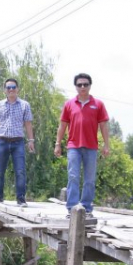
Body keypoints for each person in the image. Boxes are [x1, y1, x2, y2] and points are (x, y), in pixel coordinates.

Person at [54, 73, 110, 217]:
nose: (83, 87)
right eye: (80, 85)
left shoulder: (98, 104)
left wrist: (106, 145)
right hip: (73, 146)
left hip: (91, 146)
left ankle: (87, 208)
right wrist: (57, 144)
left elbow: (104, 126)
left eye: (85, 84)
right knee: (73, 176)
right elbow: (62, 125)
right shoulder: (69, 104)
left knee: (89, 179)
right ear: (76, 87)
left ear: (90, 86)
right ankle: (72, 208)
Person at [0, 78, 35, 207]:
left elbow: (28, 124)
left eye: (13, 87)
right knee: (0, 170)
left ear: (18, 89)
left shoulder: (24, 105)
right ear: (4, 90)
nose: (11, 90)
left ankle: (21, 198)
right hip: (2, 141)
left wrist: (31, 140)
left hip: (18, 142)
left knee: (20, 170)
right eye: (8, 87)